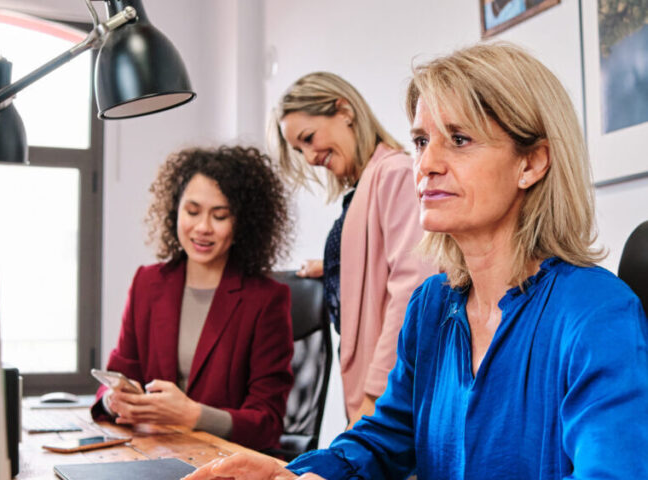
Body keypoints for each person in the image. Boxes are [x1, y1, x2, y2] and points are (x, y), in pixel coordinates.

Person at [184, 43, 648, 479]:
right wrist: (301, 474)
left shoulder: (598, 313)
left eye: (460, 139)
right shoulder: (432, 306)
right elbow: (384, 440)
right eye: (422, 140)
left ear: (531, 163)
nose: (425, 164)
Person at [92, 146, 295, 451]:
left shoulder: (267, 299)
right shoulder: (147, 283)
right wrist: (113, 400)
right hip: (152, 456)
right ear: (175, 210)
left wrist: (192, 414)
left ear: (242, 223)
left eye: (220, 215)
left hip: (222, 464)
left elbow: (267, 424)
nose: (203, 228)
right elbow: (118, 377)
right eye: (192, 211)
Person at [271, 71, 436, 426]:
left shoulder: (392, 174)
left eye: (308, 139)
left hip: (386, 395)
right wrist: (332, 265)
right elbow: (379, 259)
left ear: (344, 110)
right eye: (300, 150)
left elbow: (411, 289)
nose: (310, 157)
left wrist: (374, 396)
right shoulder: (367, 184)